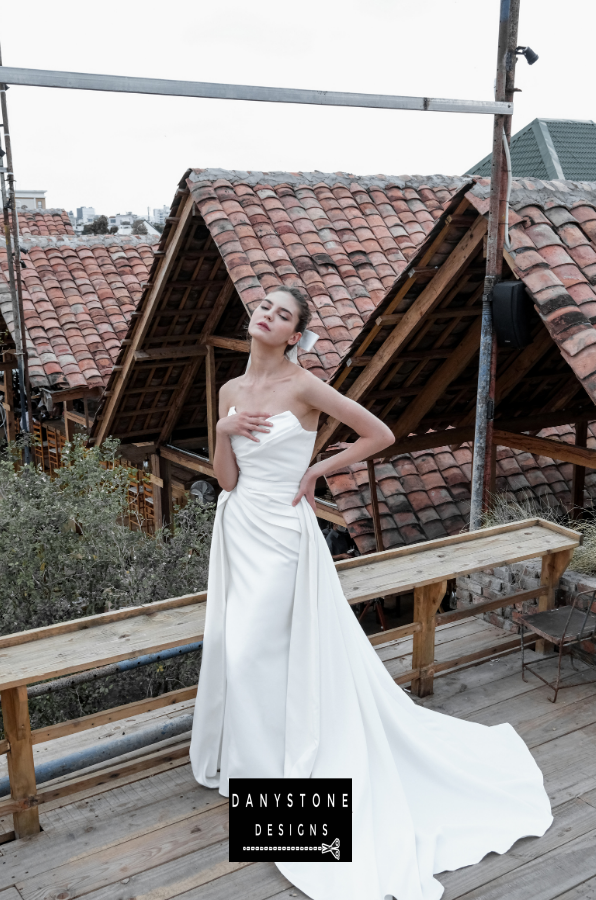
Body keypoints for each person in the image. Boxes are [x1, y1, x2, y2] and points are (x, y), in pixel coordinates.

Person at [189, 285, 553, 900]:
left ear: (294, 333)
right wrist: (223, 431)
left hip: (283, 531)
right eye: (265, 306)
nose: (267, 315)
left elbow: (377, 433)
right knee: (239, 648)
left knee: (253, 650)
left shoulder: (304, 386)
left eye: (283, 314)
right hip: (238, 527)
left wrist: (314, 470)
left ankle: (284, 799)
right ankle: (259, 778)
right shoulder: (228, 391)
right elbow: (225, 480)